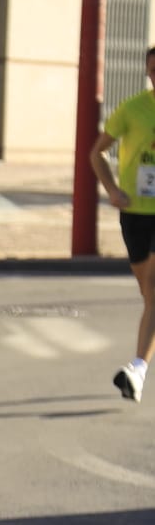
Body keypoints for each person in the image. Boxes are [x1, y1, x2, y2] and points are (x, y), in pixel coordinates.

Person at [91, 44, 155, 403]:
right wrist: (113, 190)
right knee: (148, 293)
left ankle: (137, 370)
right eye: (153, 70)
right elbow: (96, 153)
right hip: (134, 213)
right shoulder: (132, 109)